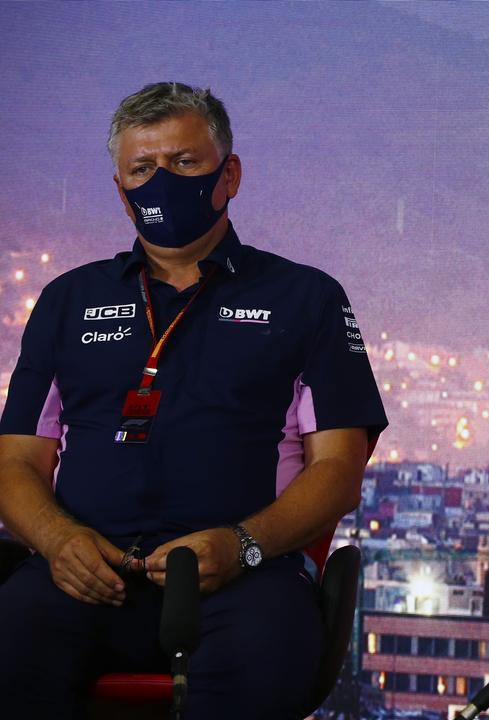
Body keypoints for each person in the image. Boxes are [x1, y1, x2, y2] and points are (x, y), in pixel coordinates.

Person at [0, 82, 387, 719]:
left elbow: (340, 472)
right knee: (10, 644)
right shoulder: (66, 300)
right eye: (142, 169)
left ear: (229, 173)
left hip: (248, 579)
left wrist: (244, 545)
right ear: (122, 195)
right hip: (83, 574)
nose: (162, 182)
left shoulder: (307, 299)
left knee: (265, 664)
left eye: (183, 162)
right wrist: (57, 540)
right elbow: (15, 461)